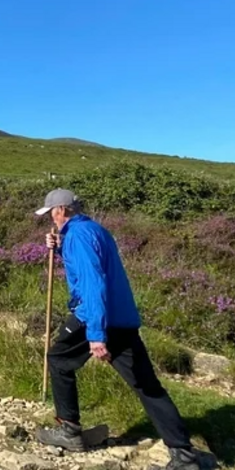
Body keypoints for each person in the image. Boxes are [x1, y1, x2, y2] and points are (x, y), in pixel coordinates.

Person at [35, 189, 197, 470]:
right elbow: (93, 264)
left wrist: (96, 335)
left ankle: (69, 430)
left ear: (60, 210)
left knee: (58, 359)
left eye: (51, 212)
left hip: (95, 316)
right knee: (147, 386)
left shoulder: (77, 236)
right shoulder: (93, 229)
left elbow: (92, 283)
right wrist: (60, 247)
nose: (51, 217)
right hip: (122, 317)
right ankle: (184, 455)